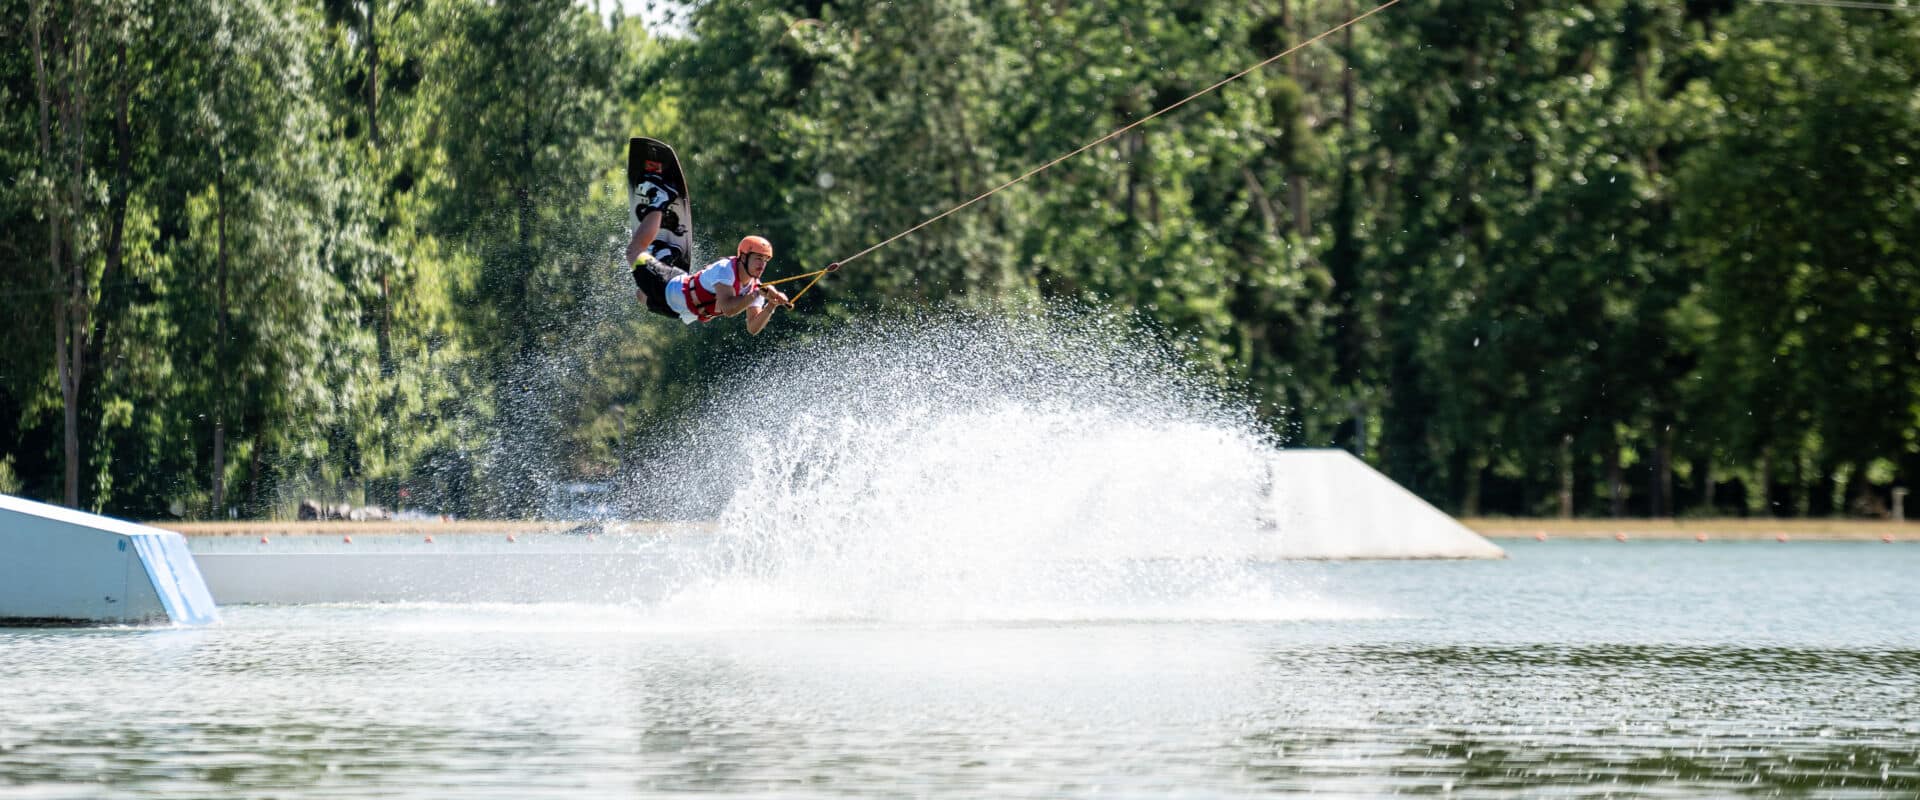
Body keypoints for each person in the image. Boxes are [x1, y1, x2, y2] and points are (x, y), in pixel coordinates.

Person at [627, 227, 793, 336]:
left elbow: (753, 328)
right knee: (633, 253)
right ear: (743, 257)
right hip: (670, 285)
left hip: (680, 312)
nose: (762, 265)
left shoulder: (756, 287)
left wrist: (771, 306)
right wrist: (756, 294)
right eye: (758, 259)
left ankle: (664, 255)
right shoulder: (726, 269)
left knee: (641, 296)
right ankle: (660, 249)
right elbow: (728, 309)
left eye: (765, 261)